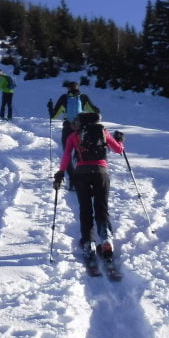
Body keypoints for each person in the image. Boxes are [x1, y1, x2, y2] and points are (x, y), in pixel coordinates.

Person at [53, 112, 125, 260]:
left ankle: (88, 242)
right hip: (101, 172)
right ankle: (106, 240)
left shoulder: (74, 136)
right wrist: (120, 140)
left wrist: (61, 172)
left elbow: (66, 155)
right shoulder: (103, 132)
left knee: (85, 209)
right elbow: (118, 149)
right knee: (101, 207)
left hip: (81, 173)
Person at [47, 81, 101, 185]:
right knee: (81, 153)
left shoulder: (64, 98)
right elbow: (95, 111)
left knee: (67, 153)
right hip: (81, 129)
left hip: (68, 128)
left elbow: (53, 116)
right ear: (78, 88)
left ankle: (72, 179)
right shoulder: (83, 97)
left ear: (68, 89)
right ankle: (82, 178)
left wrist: (50, 107)